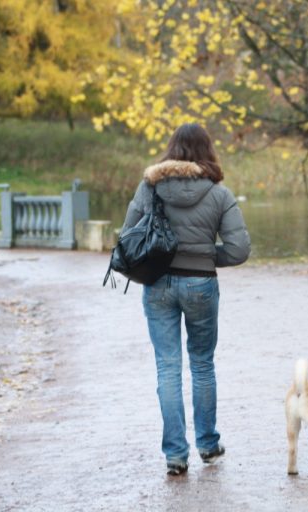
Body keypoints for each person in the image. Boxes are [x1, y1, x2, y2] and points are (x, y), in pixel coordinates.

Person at [122, 123, 251, 475]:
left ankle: (176, 455)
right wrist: (208, 257)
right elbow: (240, 250)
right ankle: (208, 445)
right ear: (207, 150)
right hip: (200, 284)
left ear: (171, 149)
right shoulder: (219, 194)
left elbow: (126, 236)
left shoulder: (150, 187)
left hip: (159, 283)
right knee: (202, 364)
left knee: (167, 367)